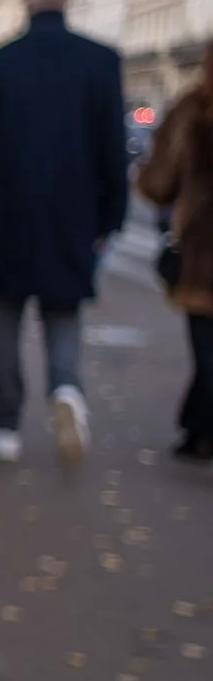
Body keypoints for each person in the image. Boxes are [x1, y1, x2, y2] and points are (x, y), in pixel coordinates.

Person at [0, 0, 128, 465]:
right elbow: (111, 146)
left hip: (12, 205)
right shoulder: (99, 61)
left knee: (3, 315)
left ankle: (6, 422)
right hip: (73, 209)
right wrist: (109, 216)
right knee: (62, 312)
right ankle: (66, 389)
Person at [135, 50, 213, 462]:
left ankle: (200, 430)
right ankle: (197, 429)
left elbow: (158, 180)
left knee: (206, 344)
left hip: (204, 247)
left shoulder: (193, 108)